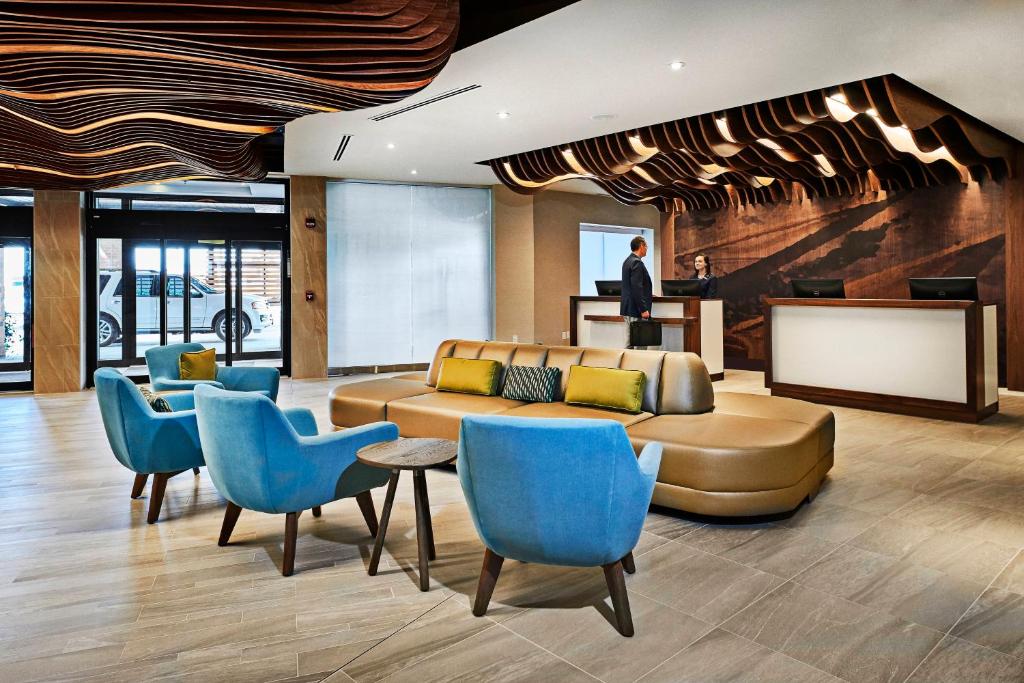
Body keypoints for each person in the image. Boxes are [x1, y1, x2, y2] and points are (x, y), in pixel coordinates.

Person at [621, 236, 652, 349]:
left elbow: (633, 286)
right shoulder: (637, 263)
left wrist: (648, 293)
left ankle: (627, 366)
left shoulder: (627, 261)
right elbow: (636, 287)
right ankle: (640, 366)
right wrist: (643, 309)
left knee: (630, 342)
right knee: (641, 343)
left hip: (628, 308)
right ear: (641, 246)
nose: (647, 249)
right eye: (646, 246)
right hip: (636, 309)